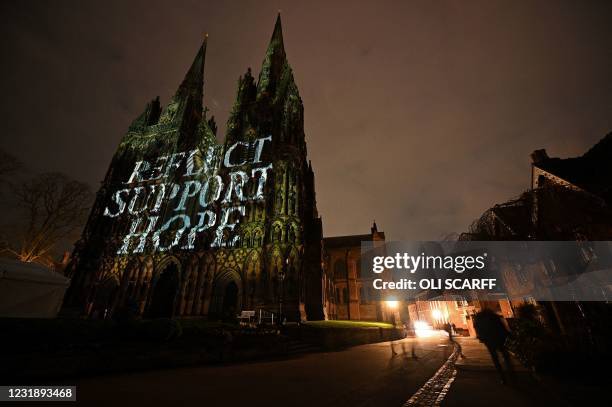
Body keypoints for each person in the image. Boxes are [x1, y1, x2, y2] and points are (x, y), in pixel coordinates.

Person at [473, 308, 513, 383]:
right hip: (499, 338)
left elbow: (477, 328)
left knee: (495, 358)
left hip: (489, 341)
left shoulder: (479, 318)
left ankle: (502, 377)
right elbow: (502, 326)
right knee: (505, 356)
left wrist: (481, 338)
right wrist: (507, 334)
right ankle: (511, 374)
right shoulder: (494, 316)